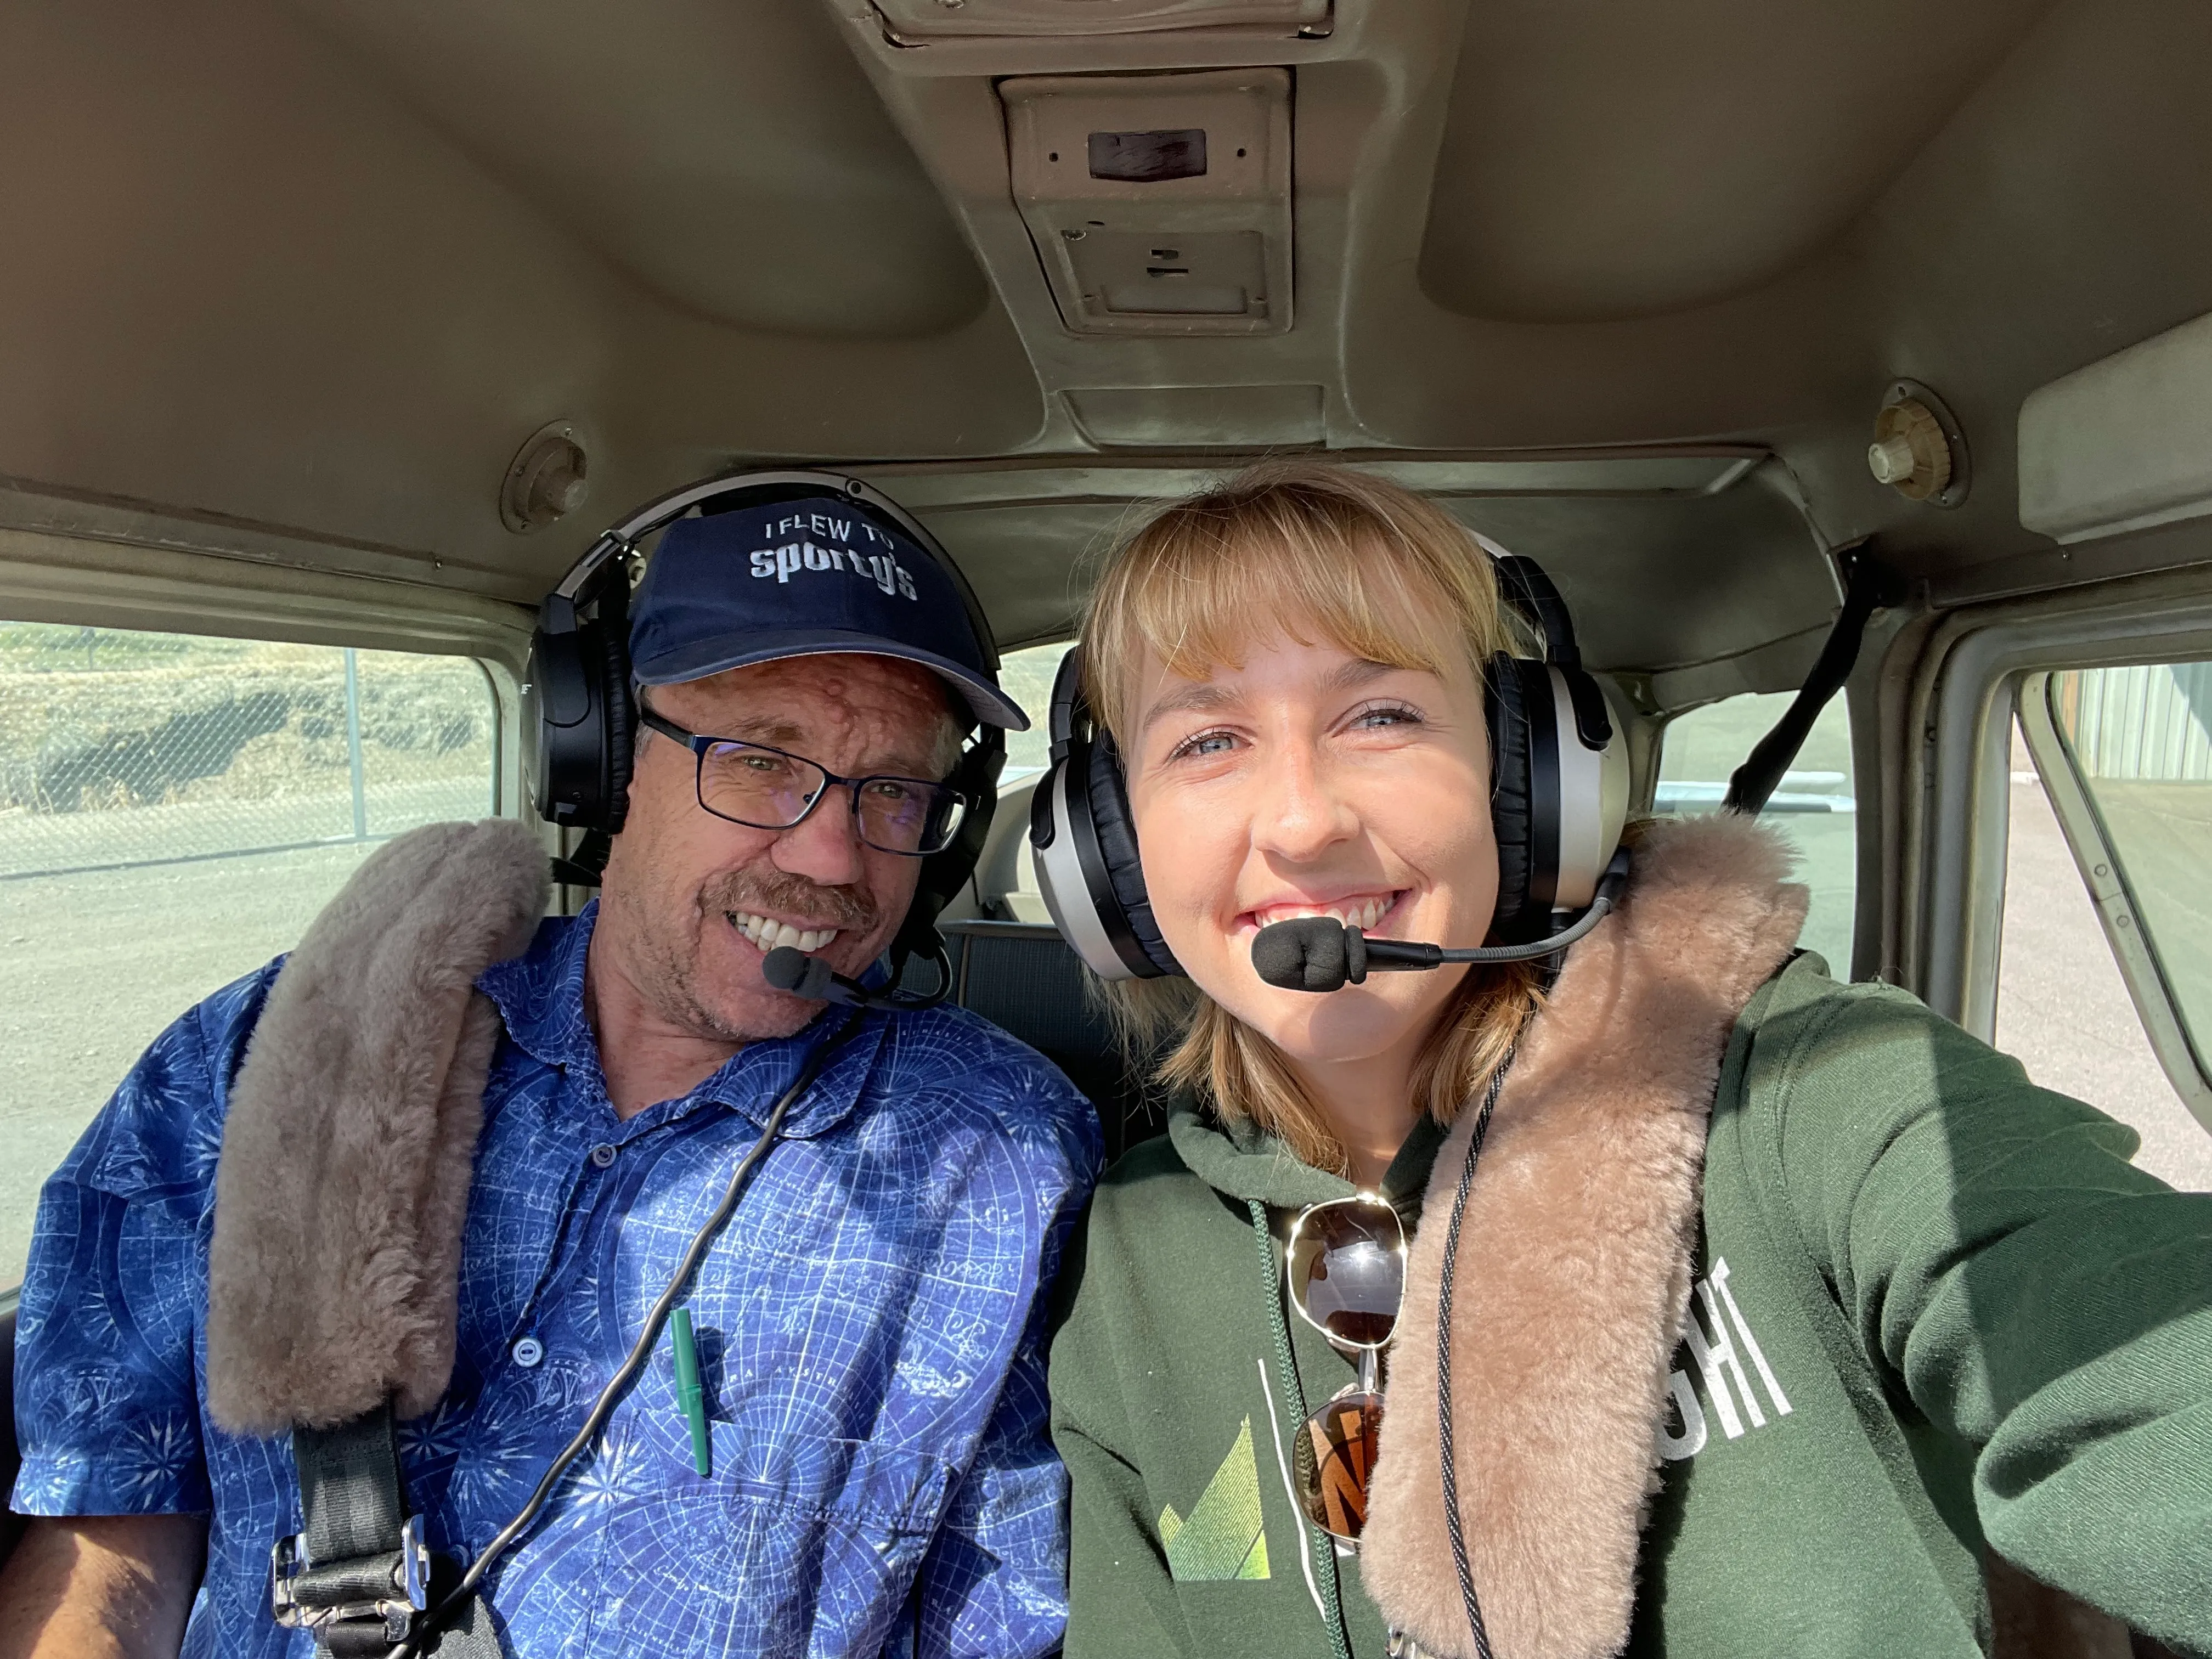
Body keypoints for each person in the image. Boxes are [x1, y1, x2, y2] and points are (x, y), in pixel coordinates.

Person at [1044, 460, 2212, 1658]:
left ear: (1531, 781)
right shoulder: (1130, 1260)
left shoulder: (1805, 1096)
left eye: (1380, 715)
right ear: (1109, 849)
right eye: (1207, 741)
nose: (1303, 823)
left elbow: (2143, 1347)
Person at [2, 483, 1101, 1657]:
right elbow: (110, 1545)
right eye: (759, 759)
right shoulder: (283, 1045)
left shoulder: (1002, 1162)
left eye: (892, 791)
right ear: (601, 758)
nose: (830, 854)